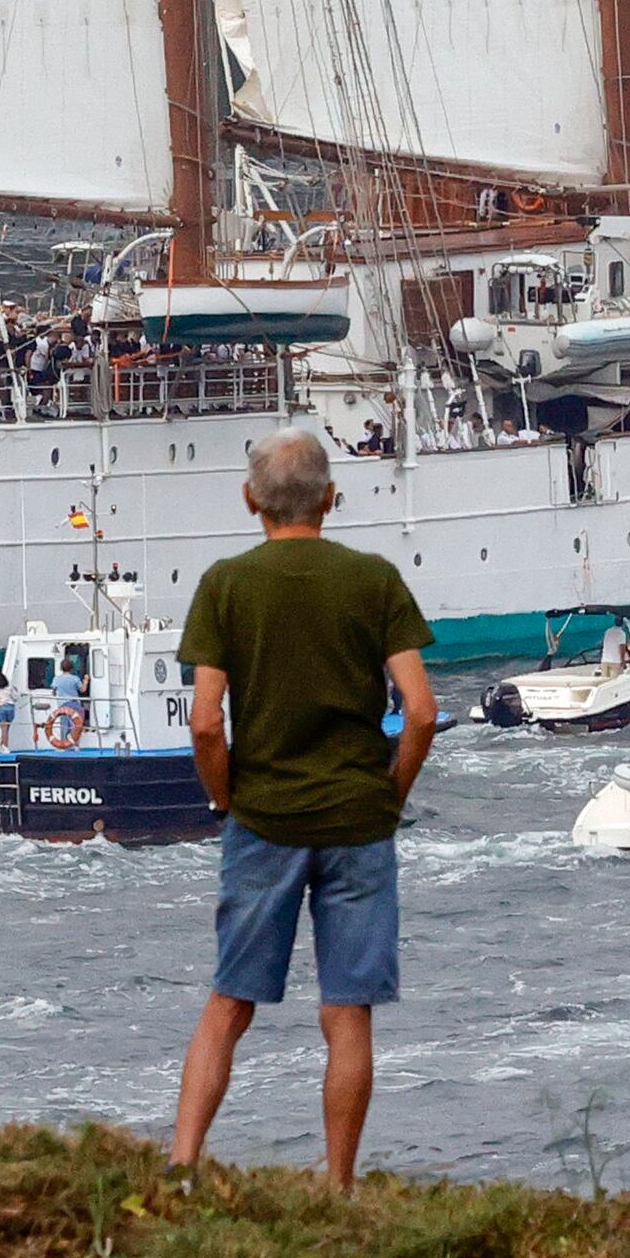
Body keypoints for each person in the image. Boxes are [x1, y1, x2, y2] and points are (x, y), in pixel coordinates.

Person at [170, 430, 432, 1188]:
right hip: (357, 818)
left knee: (229, 1002)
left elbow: (205, 721)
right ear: (331, 498)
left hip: (265, 818)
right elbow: (419, 710)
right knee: (347, 1011)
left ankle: (183, 1166)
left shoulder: (226, 583)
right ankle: (339, 1185)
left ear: (252, 500)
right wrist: (390, 794)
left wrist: (226, 797)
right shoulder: (373, 578)